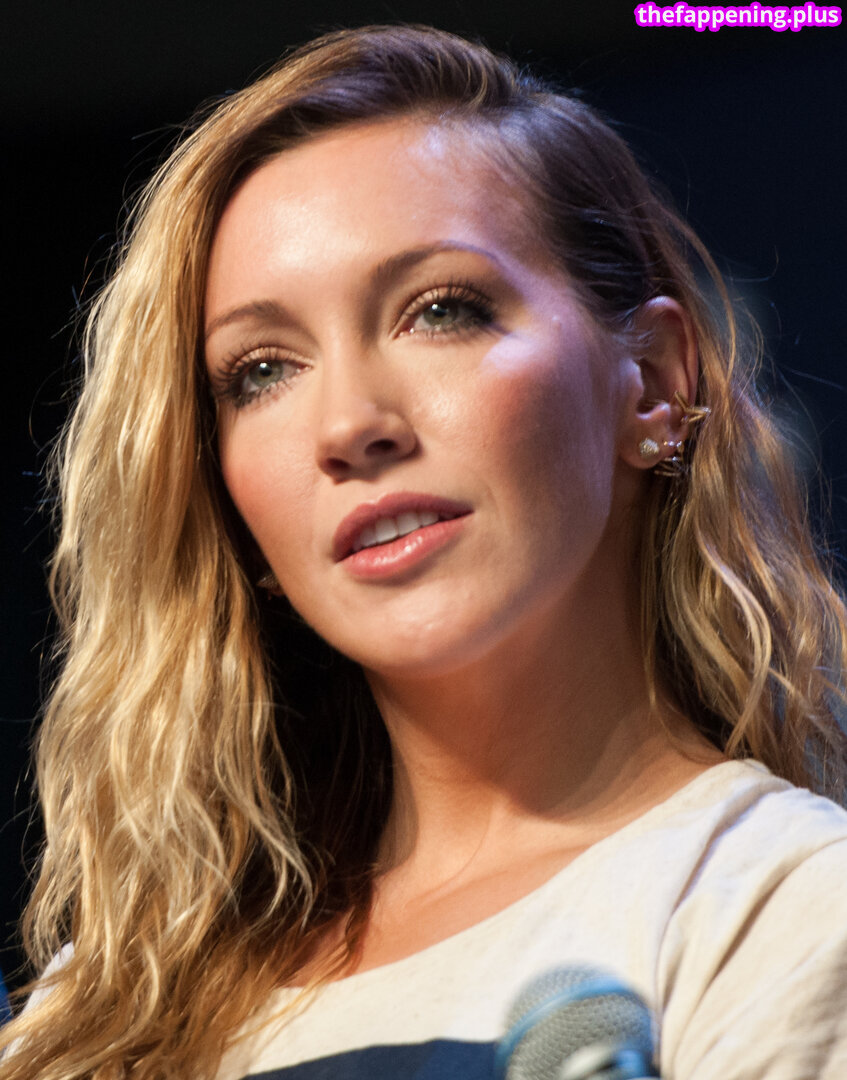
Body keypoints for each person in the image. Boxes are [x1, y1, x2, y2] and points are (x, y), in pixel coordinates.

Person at [4, 23, 847, 1080]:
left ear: (653, 385)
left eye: (440, 310)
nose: (349, 425)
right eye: (261, 371)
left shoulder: (780, 909)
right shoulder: (105, 1009)